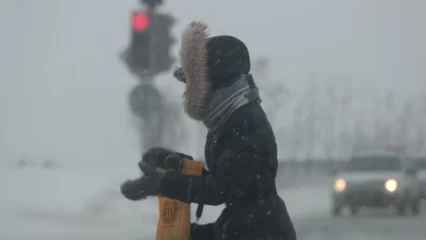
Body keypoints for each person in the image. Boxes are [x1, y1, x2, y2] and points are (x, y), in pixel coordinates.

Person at [120, 21, 297, 240]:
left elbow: (222, 188)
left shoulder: (247, 123)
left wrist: (162, 184)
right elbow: (231, 179)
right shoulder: (230, 120)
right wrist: (179, 165)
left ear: (213, 82)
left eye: (191, 84)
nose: (187, 91)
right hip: (244, 228)